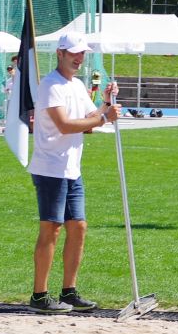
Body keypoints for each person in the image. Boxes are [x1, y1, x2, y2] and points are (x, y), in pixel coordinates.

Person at [27, 28, 119, 314]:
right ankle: (39, 295)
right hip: (50, 167)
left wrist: (105, 103)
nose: (79, 58)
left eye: (82, 54)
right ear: (60, 53)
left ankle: (69, 291)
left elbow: (88, 119)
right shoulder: (50, 85)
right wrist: (103, 119)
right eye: (74, 53)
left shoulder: (77, 85)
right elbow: (65, 125)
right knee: (52, 228)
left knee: (78, 226)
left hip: (71, 168)